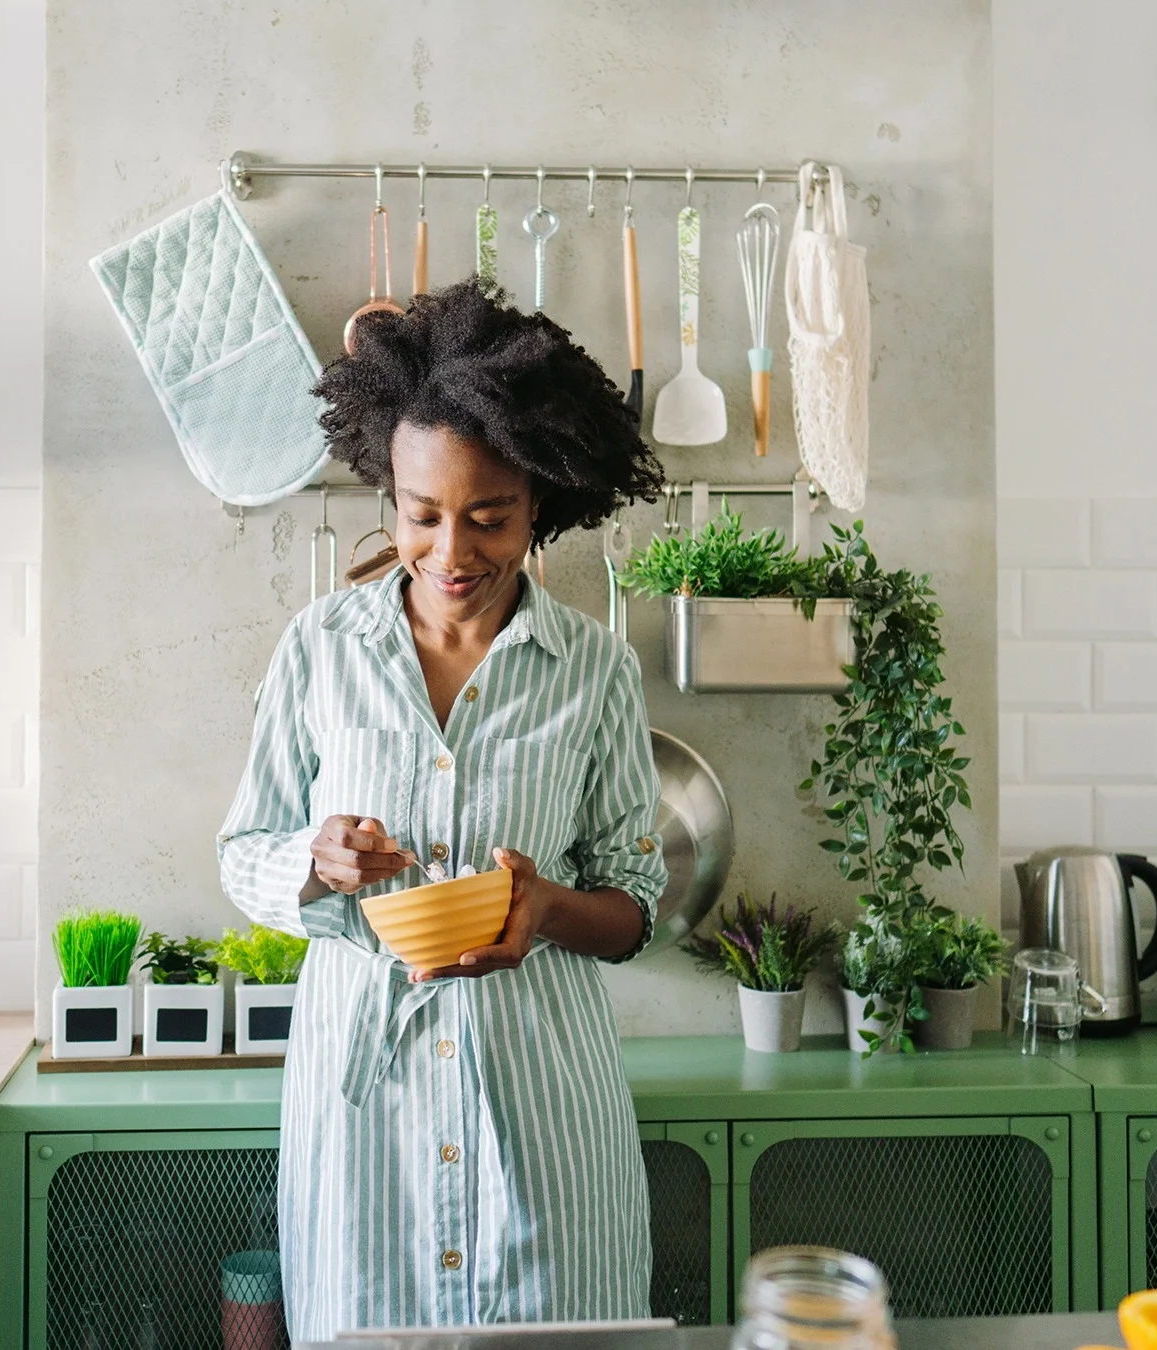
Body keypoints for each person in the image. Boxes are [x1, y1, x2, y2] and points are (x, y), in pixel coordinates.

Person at [218, 278, 671, 1338]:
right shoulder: (321, 650)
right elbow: (243, 850)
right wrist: (313, 860)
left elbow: (636, 902)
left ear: (540, 503)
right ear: (389, 500)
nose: (454, 554)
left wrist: (548, 909)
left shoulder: (592, 670)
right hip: (366, 1118)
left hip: (542, 1112)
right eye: (423, 518)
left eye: (489, 518)